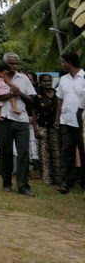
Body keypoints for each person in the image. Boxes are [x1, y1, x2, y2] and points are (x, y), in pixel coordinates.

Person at [0, 53, 36, 195]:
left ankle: (23, 186)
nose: (14, 66)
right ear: (4, 64)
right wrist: (8, 96)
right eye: (11, 63)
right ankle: (6, 183)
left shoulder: (23, 78)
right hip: (3, 119)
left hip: (21, 119)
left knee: (23, 152)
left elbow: (31, 99)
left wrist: (18, 93)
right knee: (6, 152)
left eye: (16, 63)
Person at [56, 52, 85, 194]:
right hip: (66, 121)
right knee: (66, 152)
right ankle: (66, 182)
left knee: (83, 151)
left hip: (82, 122)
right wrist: (58, 118)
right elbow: (60, 100)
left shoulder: (84, 78)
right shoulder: (63, 79)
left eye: (64, 62)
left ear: (69, 62)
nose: (62, 65)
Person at [35, 73, 61, 186]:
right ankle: (47, 179)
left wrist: (57, 120)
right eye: (45, 81)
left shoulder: (57, 94)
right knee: (44, 153)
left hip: (55, 127)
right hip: (42, 126)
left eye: (49, 80)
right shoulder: (38, 96)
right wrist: (35, 128)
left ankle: (58, 178)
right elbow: (34, 112)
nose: (47, 83)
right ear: (40, 82)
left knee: (56, 153)